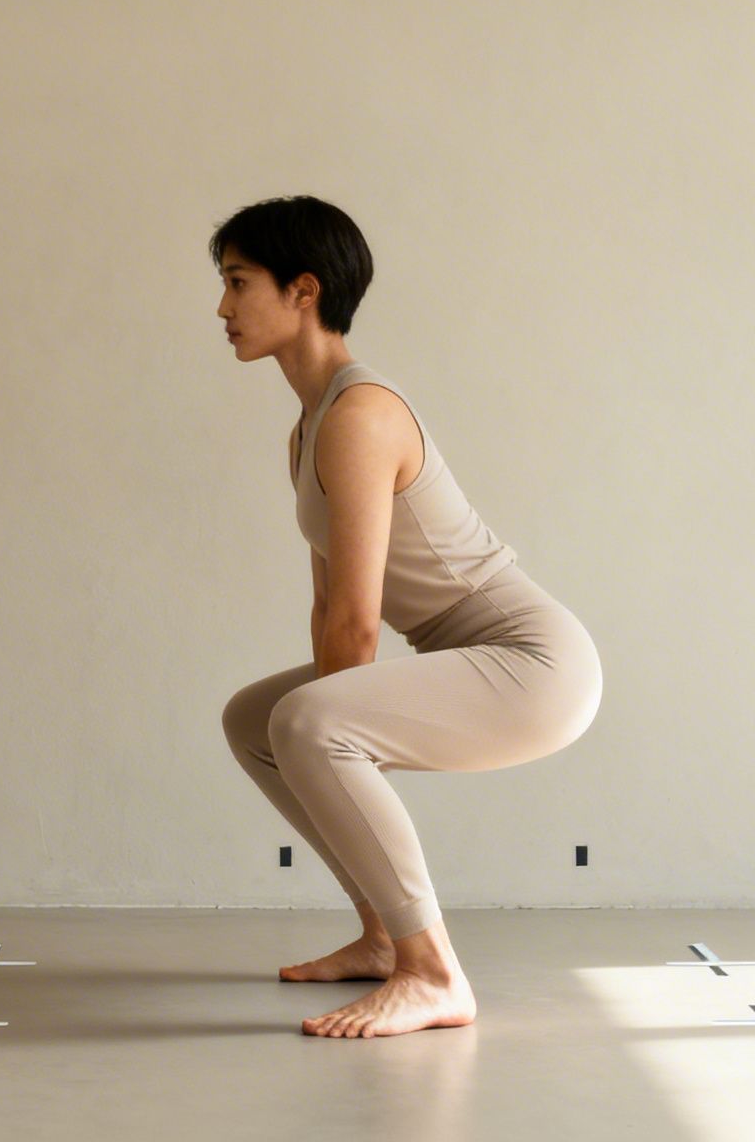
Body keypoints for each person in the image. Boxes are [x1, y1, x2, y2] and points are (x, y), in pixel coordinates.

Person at [215, 196, 602, 1038]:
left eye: (239, 283)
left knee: (311, 721)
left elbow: (357, 623)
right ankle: (386, 939)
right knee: (257, 719)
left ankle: (433, 973)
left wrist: (333, 736)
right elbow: (327, 607)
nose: (222, 308)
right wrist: (328, 736)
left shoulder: (360, 415)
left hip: (532, 663)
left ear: (304, 290)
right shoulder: (310, 427)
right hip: (469, 656)